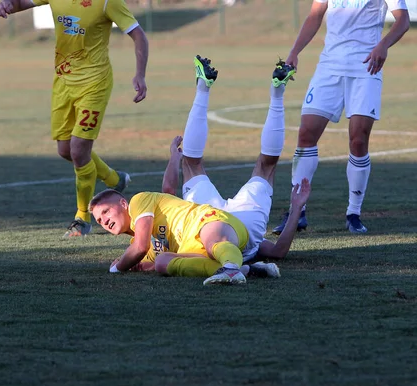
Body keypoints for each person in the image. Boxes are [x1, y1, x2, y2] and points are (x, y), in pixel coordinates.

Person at [89, 56, 310, 285]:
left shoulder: (139, 213)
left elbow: (151, 223)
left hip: (209, 218)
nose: (103, 220)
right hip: (224, 224)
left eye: (105, 212)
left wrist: (118, 267)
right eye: (98, 219)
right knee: (257, 166)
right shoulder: (145, 242)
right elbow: (277, 252)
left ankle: (233, 268)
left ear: (122, 203)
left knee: (201, 165)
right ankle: (271, 93)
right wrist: (296, 208)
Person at [0, 0, 149, 238]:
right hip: (63, 82)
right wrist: (7, 5)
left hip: (94, 84)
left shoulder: (108, 2)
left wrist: (140, 74)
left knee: (78, 150)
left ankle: (82, 218)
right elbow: (21, 4)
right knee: (65, 150)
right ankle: (113, 178)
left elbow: (139, 35)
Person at [272, 0, 410, 235]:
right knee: (306, 134)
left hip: (366, 67)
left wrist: (383, 45)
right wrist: (294, 52)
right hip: (329, 66)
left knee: (358, 139)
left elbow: (403, 20)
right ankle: (297, 212)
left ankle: (353, 213)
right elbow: (315, 15)